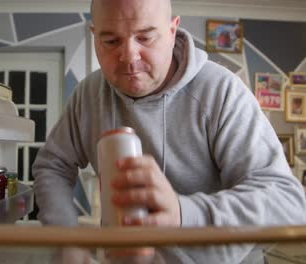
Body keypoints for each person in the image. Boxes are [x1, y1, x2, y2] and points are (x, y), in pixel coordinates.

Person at [33, 0, 306, 262]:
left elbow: (288, 203)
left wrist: (182, 214)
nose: (129, 56)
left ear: (173, 31)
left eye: (145, 37)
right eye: (111, 41)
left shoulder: (223, 92)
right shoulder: (89, 94)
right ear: (94, 35)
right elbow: (52, 165)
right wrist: (64, 238)